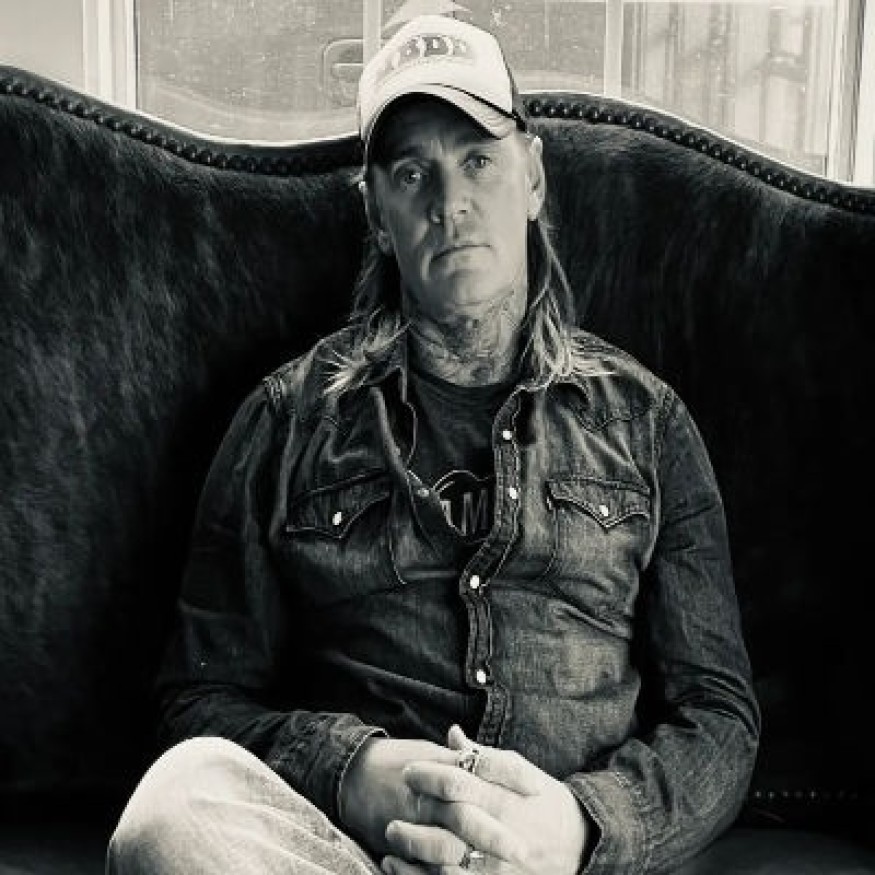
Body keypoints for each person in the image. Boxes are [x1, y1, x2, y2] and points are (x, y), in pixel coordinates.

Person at [106, 13, 759, 875]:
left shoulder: (647, 421)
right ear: (376, 212)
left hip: (558, 861)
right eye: (413, 173)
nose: (448, 203)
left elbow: (718, 716)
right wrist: (350, 772)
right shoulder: (284, 420)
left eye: (477, 160)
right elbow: (196, 703)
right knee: (172, 806)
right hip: (347, 855)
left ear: (531, 176)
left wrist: (577, 825)